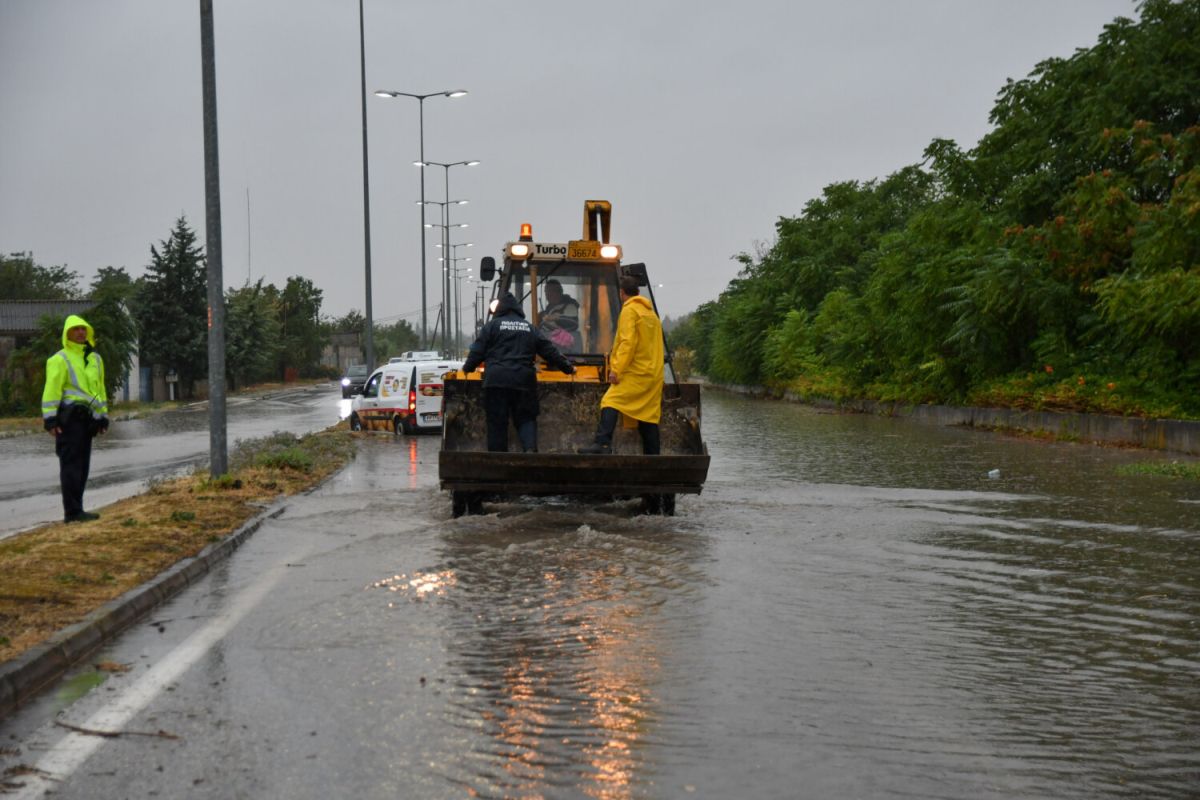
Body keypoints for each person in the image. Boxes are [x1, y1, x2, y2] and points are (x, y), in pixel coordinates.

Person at [462, 292, 575, 452]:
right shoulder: (530, 328)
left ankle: (497, 458)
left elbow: (477, 351)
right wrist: (568, 368)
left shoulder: (491, 327)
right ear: (518, 310)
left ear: (499, 309)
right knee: (526, 418)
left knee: (497, 421)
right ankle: (530, 451)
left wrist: (468, 368)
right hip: (523, 381)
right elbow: (549, 351)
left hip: (496, 381)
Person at [578, 276, 663, 455]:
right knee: (648, 415)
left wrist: (616, 369)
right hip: (653, 374)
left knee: (611, 400)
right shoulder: (651, 314)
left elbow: (627, 343)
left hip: (635, 372)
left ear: (622, 293)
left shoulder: (630, 311)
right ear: (638, 292)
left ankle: (602, 444)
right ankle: (653, 457)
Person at [42, 314, 109, 523]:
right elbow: (51, 391)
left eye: (83, 329)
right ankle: (72, 513)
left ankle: (78, 509)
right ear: (67, 333)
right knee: (71, 466)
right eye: (76, 329)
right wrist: (50, 420)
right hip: (69, 420)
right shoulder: (59, 359)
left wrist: (102, 417)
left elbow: (100, 389)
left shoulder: (95, 358)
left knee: (83, 467)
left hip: (87, 420)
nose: (80, 332)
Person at [539, 279, 580, 352]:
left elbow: (572, 323)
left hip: (567, 348)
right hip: (549, 346)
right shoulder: (549, 309)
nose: (548, 294)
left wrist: (556, 318)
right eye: (546, 292)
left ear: (559, 292)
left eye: (551, 291)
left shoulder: (570, 306)